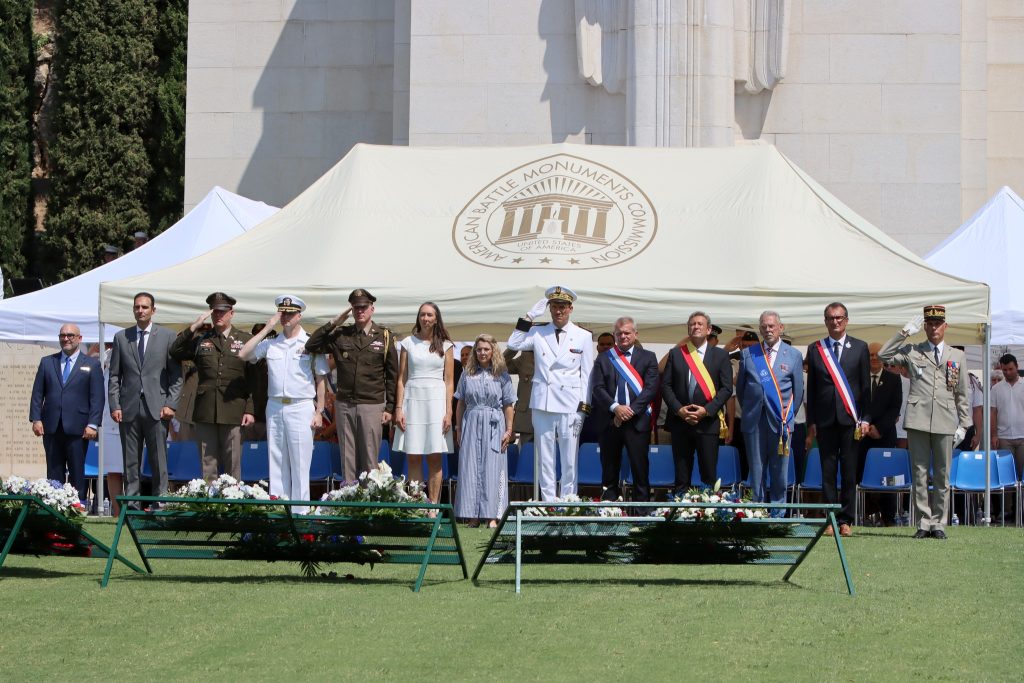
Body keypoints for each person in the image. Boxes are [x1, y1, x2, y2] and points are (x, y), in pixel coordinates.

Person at [879, 305, 970, 539]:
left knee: (942, 474)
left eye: (937, 324)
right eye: (929, 324)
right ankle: (924, 521)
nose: (933, 328)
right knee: (919, 473)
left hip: (946, 419)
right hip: (918, 418)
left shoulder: (957, 356)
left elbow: (961, 393)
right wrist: (904, 332)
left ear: (945, 326)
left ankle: (939, 522)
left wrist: (964, 425)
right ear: (925, 326)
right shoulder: (913, 351)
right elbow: (883, 356)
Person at [240, 296, 329, 513]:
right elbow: (243, 354)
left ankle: (300, 513)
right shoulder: (271, 343)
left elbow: (321, 379)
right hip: (275, 406)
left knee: (300, 462)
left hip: (301, 405)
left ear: (299, 315)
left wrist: (319, 411)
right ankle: (279, 509)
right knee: (276, 459)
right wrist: (267, 327)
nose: (286, 317)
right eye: (283, 313)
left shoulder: (310, 343)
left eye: (291, 313)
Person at [507, 285, 595, 501]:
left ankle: (567, 502)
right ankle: (548, 503)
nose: (558, 311)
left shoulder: (583, 336)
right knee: (544, 457)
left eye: (563, 307)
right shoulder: (538, 331)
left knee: (569, 458)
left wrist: (583, 409)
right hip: (543, 402)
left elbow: (587, 376)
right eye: (554, 306)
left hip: (570, 404)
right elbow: (513, 343)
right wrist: (529, 316)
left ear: (571, 308)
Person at [306, 288, 399, 480]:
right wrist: (334, 322)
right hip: (345, 403)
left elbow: (392, 375)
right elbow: (312, 345)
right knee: (347, 455)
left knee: (369, 456)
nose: (360, 311)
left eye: (364, 307)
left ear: (372, 308)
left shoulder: (384, 336)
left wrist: (390, 406)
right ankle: (349, 497)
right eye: (355, 308)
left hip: (372, 403)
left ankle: (369, 500)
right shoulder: (341, 334)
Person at [169, 292, 255, 480]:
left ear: (232, 313)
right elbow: (175, 351)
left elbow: (252, 378)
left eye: (223, 312)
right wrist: (193, 327)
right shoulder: (202, 339)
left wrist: (249, 409)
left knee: (233, 462)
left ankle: (233, 503)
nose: (218, 316)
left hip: (234, 409)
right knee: (208, 462)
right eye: (215, 312)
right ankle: (210, 504)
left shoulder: (244, 339)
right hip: (205, 409)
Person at [109, 292, 182, 507]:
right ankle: (131, 506)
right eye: (137, 307)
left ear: (153, 310)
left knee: (159, 459)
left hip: (158, 408)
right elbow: (114, 375)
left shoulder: (168, 337)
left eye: (144, 307)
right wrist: (115, 404)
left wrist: (171, 404)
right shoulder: (122, 337)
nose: (140, 311)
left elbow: (176, 376)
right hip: (129, 407)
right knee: (131, 461)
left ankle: (160, 503)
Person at [805, 302, 870, 537]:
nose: (836, 322)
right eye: (831, 318)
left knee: (850, 472)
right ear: (825, 321)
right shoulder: (815, 349)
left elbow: (865, 387)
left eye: (840, 318)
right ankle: (830, 519)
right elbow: (811, 389)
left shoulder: (860, 347)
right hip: (824, 420)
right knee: (828, 472)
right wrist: (812, 421)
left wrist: (865, 418)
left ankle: (846, 520)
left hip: (851, 419)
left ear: (847, 320)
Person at [735, 311, 804, 514]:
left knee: (779, 472)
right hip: (754, 421)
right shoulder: (749, 354)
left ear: (781, 328)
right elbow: (741, 390)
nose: (768, 330)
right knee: (756, 471)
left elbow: (798, 392)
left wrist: (786, 415)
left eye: (772, 326)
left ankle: (777, 515)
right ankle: (757, 513)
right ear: (760, 328)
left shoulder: (794, 355)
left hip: (780, 421)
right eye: (764, 326)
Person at [29, 324, 104, 504]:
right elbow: (38, 393)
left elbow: (97, 397)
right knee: (54, 470)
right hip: (51, 426)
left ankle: (77, 505)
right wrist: (36, 418)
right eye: (62, 335)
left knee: (77, 469)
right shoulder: (47, 362)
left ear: (80, 338)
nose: (66, 338)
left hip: (79, 427)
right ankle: (55, 506)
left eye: (70, 335)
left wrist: (93, 424)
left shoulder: (92, 364)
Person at [661, 311, 733, 496]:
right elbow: (666, 386)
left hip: (708, 423)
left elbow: (726, 389)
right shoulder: (676, 354)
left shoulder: (720, 355)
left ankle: (706, 513)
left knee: (708, 474)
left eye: (700, 324)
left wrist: (706, 410)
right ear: (688, 328)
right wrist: (678, 409)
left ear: (709, 329)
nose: (696, 326)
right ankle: (679, 514)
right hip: (680, 422)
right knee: (681, 475)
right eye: (692, 324)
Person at [590, 317, 659, 502]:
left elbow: (651, 389)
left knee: (640, 471)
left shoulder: (648, 357)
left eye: (627, 332)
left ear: (635, 334)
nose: (623, 336)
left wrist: (629, 411)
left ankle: (641, 514)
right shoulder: (604, 358)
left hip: (637, 422)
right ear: (615, 335)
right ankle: (609, 512)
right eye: (619, 333)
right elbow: (597, 387)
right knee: (609, 472)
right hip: (609, 421)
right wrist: (616, 408)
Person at [393, 302, 455, 507]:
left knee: (435, 457)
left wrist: (449, 412)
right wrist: (398, 408)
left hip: (436, 402)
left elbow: (449, 381)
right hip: (412, 400)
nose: (425, 318)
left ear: (436, 318)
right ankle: (417, 505)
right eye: (422, 315)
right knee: (413, 457)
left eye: (429, 315)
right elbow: (401, 378)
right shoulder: (407, 343)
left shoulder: (446, 345)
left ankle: (433, 507)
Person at [454, 334, 516, 527]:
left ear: (493, 351)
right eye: (479, 349)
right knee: (470, 469)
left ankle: (492, 516)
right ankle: (472, 516)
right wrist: (458, 428)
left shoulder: (502, 374)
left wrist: (509, 430)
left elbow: (508, 404)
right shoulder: (467, 373)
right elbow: (461, 402)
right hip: (471, 422)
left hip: (494, 424)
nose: (482, 352)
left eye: (486, 349)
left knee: (493, 468)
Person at [857, 342, 904, 525]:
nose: (874, 358)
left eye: (877, 354)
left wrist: (879, 428)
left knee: (887, 478)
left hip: (884, 436)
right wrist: (866, 427)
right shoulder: (859, 379)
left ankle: (888, 517)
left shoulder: (894, 379)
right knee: (861, 475)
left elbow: (895, 408)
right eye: (870, 355)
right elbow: (856, 405)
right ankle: (862, 515)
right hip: (862, 436)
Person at [991, 353, 1024, 480]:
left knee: (1021, 475)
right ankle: (1008, 501)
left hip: (1022, 437)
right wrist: (994, 435)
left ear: (1017, 367)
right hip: (1003, 437)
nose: (1008, 372)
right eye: (1005, 370)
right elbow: (993, 413)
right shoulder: (996, 389)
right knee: (1006, 475)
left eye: (1011, 369)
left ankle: (1021, 500)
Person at [503, 346, 535, 444]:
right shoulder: (527, 355)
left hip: (550, 415)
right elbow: (500, 364)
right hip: (527, 418)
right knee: (527, 455)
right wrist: (515, 346)